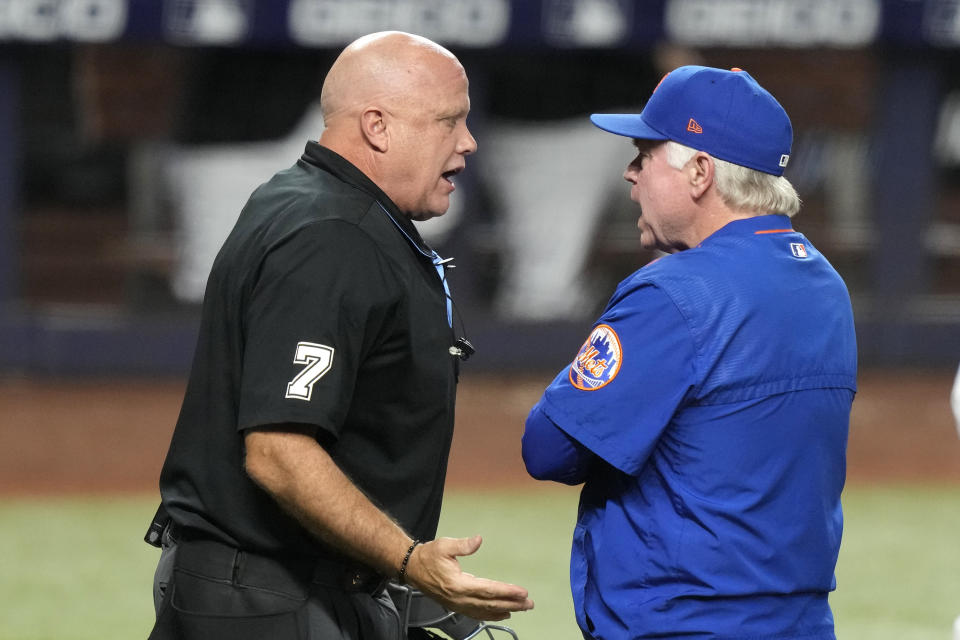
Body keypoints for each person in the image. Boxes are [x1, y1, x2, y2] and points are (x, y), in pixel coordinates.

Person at [145, 31, 533, 640]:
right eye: (449, 122)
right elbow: (279, 451)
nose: (468, 142)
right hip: (267, 597)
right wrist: (409, 561)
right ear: (377, 126)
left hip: (272, 586)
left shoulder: (304, 199)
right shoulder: (333, 235)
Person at [521, 66, 857, 639]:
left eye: (645, 153)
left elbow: (548, 448)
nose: (630, 173)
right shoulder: (825, 283)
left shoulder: (675, 293)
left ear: (701, 171)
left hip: (685, 622)